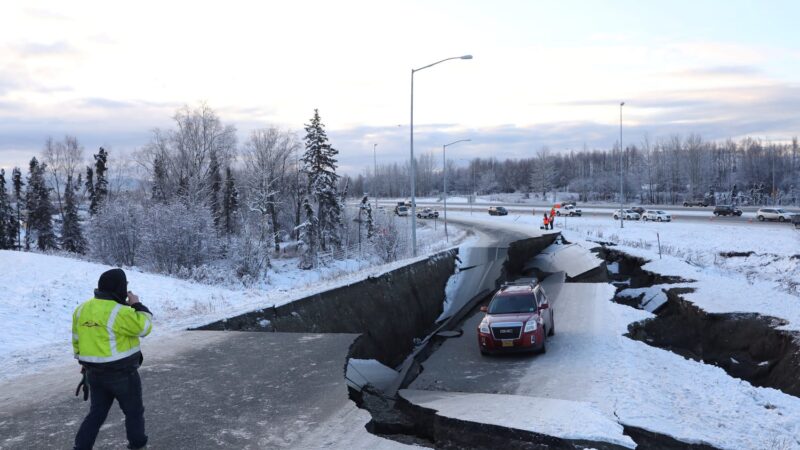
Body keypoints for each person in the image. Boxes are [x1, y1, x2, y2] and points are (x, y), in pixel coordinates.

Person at [73, 268, 153, 450]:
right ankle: (138, 445)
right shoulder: (120, 312)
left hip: (94, 374)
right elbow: (145, 327)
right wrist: (137, 305)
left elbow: (77, 340)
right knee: (134, 412)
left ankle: (80, 448)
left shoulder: (81, 309)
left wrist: (84, 365)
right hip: (122, 375)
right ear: (120, 288)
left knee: (97, 414)